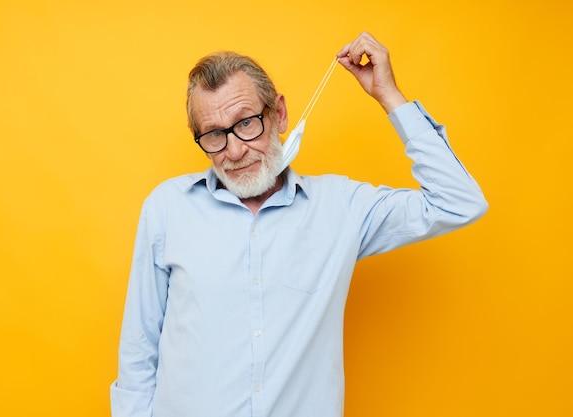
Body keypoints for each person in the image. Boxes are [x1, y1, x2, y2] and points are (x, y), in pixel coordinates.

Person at [110, 31, 488, 417]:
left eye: (247, 123)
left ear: (280, 114)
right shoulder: (167, 208)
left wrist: (390, 96)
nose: (235, 150)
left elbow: (459, 202)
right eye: (214, 135)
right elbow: (138, 354)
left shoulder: (342, 208)